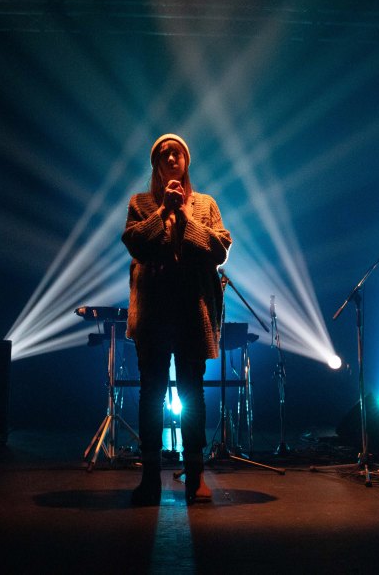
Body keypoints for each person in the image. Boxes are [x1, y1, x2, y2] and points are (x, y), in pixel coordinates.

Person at [122, 133, 232, 505]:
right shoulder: (140, 203)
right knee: (151, 394)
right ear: (156, 164)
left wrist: (184, 215)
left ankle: (196, 476)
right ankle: (150, 478)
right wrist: (162, 213)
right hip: (153, 314)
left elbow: (219, 250)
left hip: (191, 313)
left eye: (178, 153)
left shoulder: (205, 204)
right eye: (165, 154)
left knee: (192, 393)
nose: (172, 158)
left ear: (186, 161)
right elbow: (136, 243)